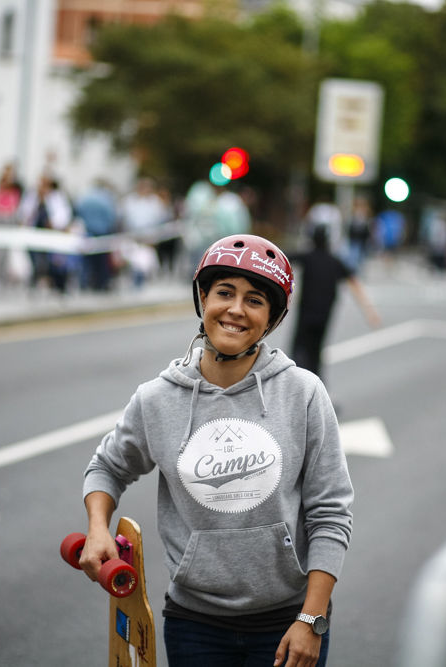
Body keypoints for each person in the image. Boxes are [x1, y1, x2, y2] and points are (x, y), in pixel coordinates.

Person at [80, 234, 354, 667]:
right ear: (203, 298)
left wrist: (312, 619)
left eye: (255, 301)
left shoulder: (303, 393)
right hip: (195, 625)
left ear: (273, 318)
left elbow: (331, 513)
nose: (236, 309)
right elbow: (107, 468)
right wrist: (98, 527)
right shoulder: (158, 399)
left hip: (289, 621)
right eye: (225, 293)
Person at [290, 225, 381, 380]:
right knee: (316, 351)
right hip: (324, 314)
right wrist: (370, 311)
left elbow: (282, 258)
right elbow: (354, 283)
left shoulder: (307, 257)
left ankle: (294, 383)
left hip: (305, 313)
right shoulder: (335, 261)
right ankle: (316, 385)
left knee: (299, 349)